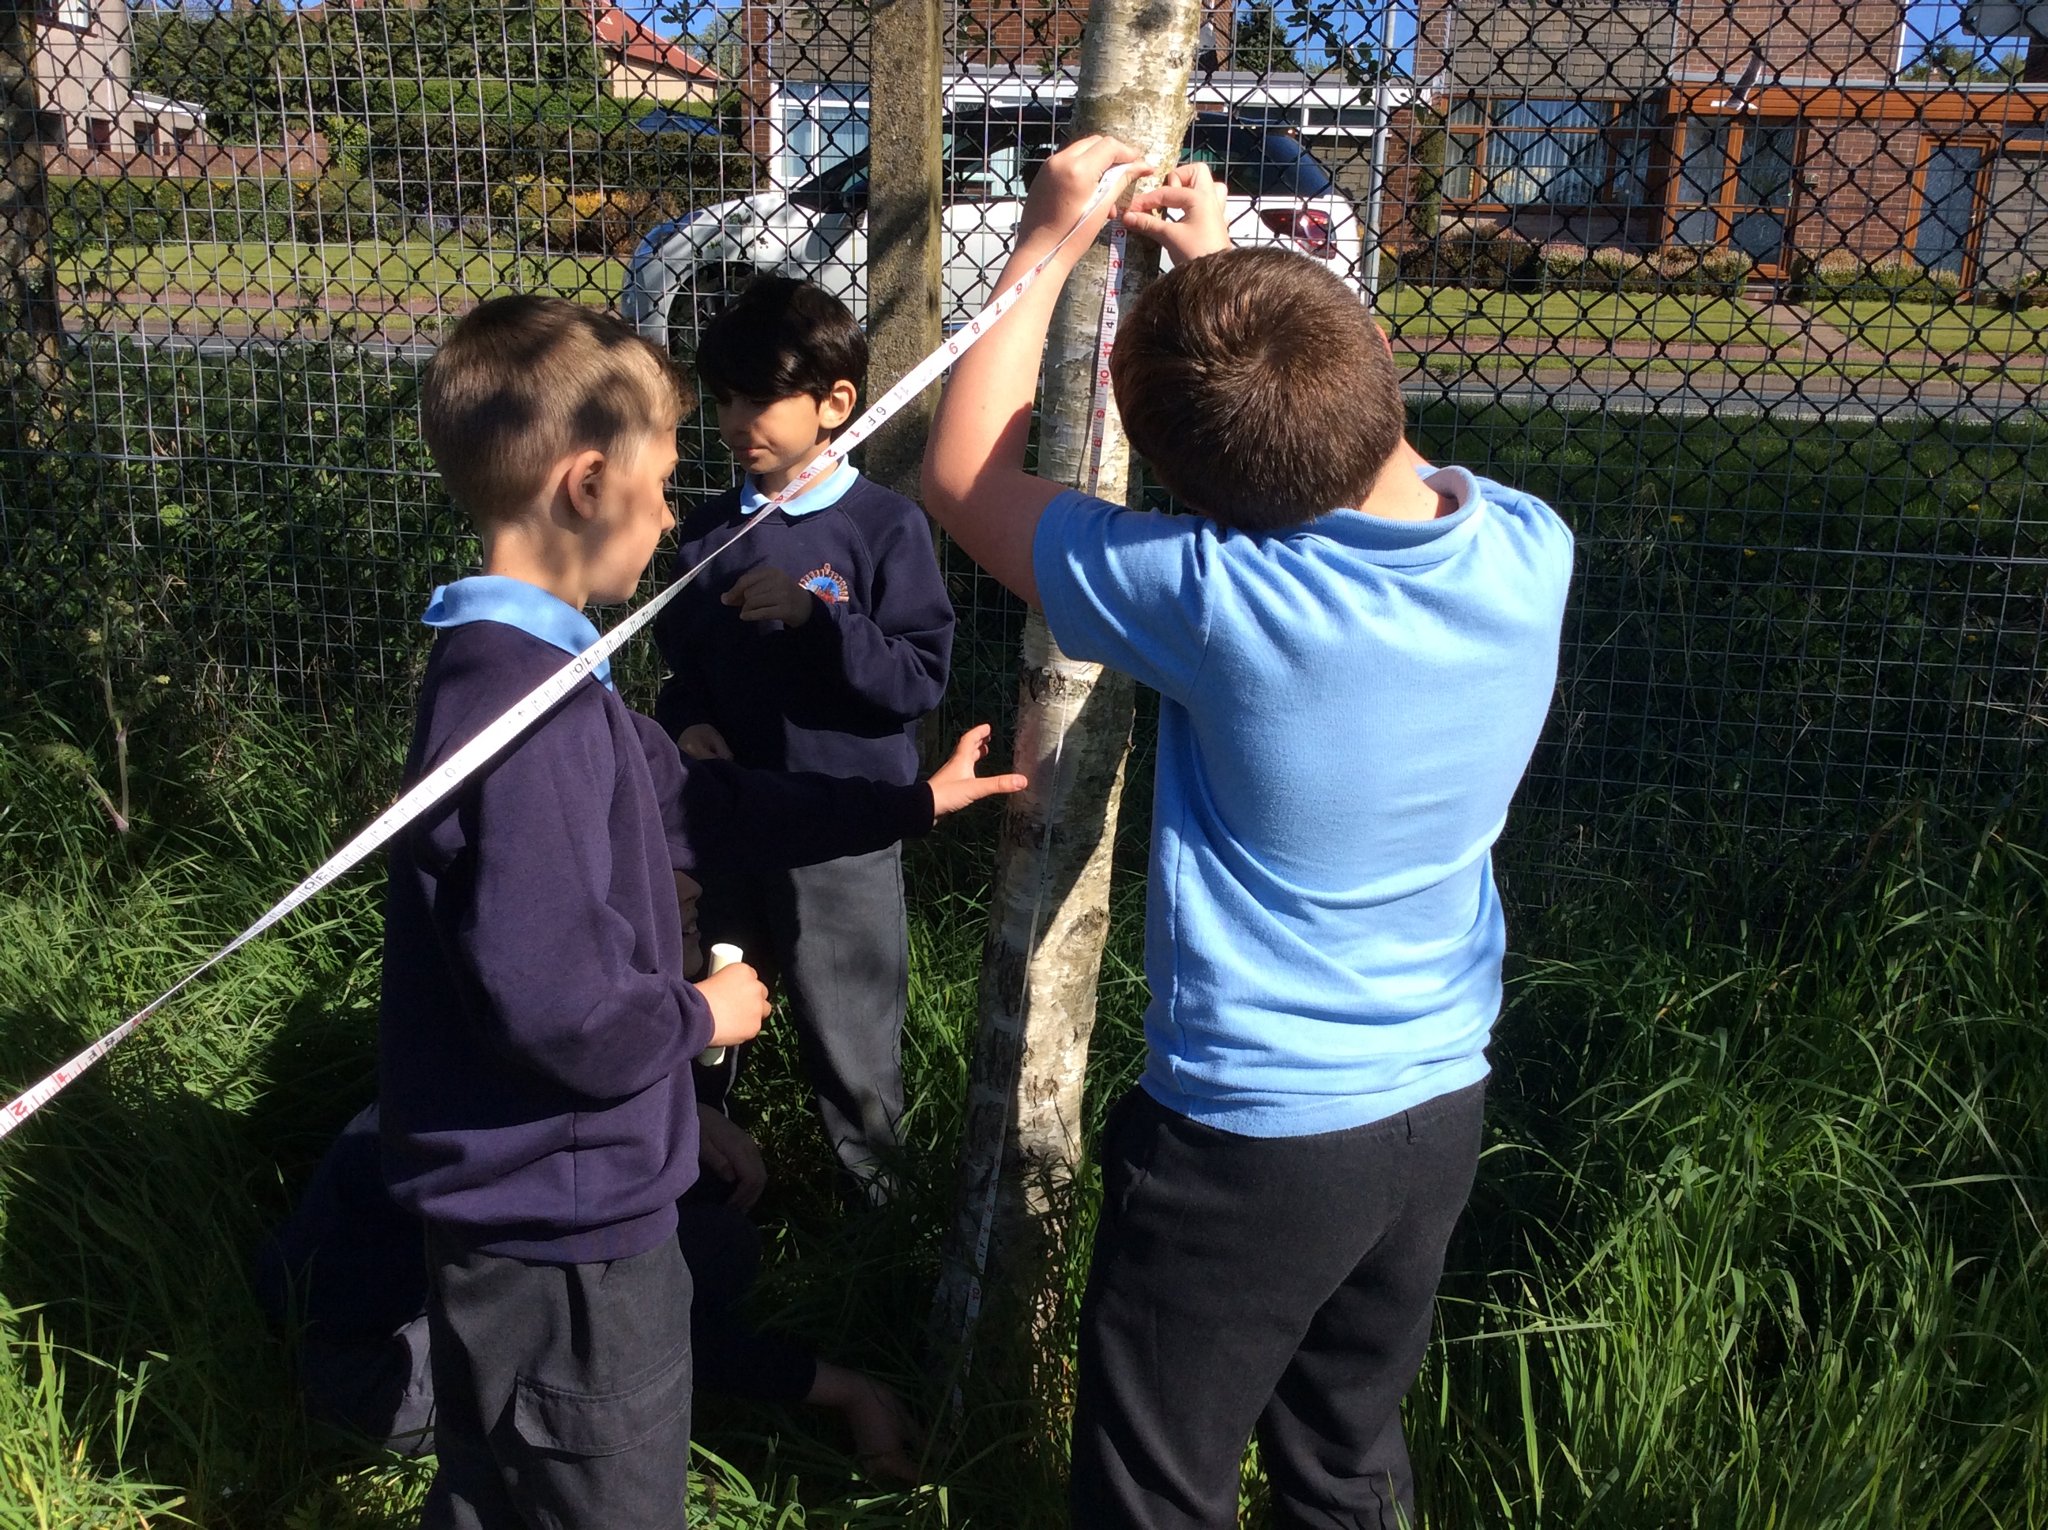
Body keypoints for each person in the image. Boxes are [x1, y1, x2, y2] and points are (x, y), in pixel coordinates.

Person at [921, 143, 1576, 1528]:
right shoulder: (1528, 543)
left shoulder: (1222, 604)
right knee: (1344, 1457)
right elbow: (1322, 420)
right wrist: (1224, 271)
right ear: (1378, 366)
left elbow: (963, 474)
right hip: (1437, 1100)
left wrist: (1043, 246)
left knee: (1156, 1483)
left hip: (1251, 1136)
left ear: (1194, 493)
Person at [384, 294, 1021, 1529]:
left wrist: (908, 808)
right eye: (665, 480)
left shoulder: (536, 684)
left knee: (496, 1493)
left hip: (530, 1209)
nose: (677, 513)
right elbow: (560, 1007)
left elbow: (702, 801)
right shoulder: (528, 721)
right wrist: (699, 1017)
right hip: (566, 1226)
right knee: (600, 1489)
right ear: (584, 486)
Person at [653, 277, 955, 1202]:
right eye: (728, 398)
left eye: (763, 398)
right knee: (709, 998)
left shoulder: (881, 527)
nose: (740, 420)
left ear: (834, 403)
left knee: (847, 1024)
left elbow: (917, 679)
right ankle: (702, 1188)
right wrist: (688, 724)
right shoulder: (707, 532)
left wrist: (822, 623)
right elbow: (681, 669)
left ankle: (877, 1207)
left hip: (839, 827)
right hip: (724, 823)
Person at [253, 1101, 921, 1481]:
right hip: (379, 1377)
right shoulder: (541, 1149)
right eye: (683, 919)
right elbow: (629, 1321)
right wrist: (842, 1389)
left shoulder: (505, 1061)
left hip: (347, 1290)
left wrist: (684, 1107)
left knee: (711, 1221)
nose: (694, 921)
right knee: (694, 1266)